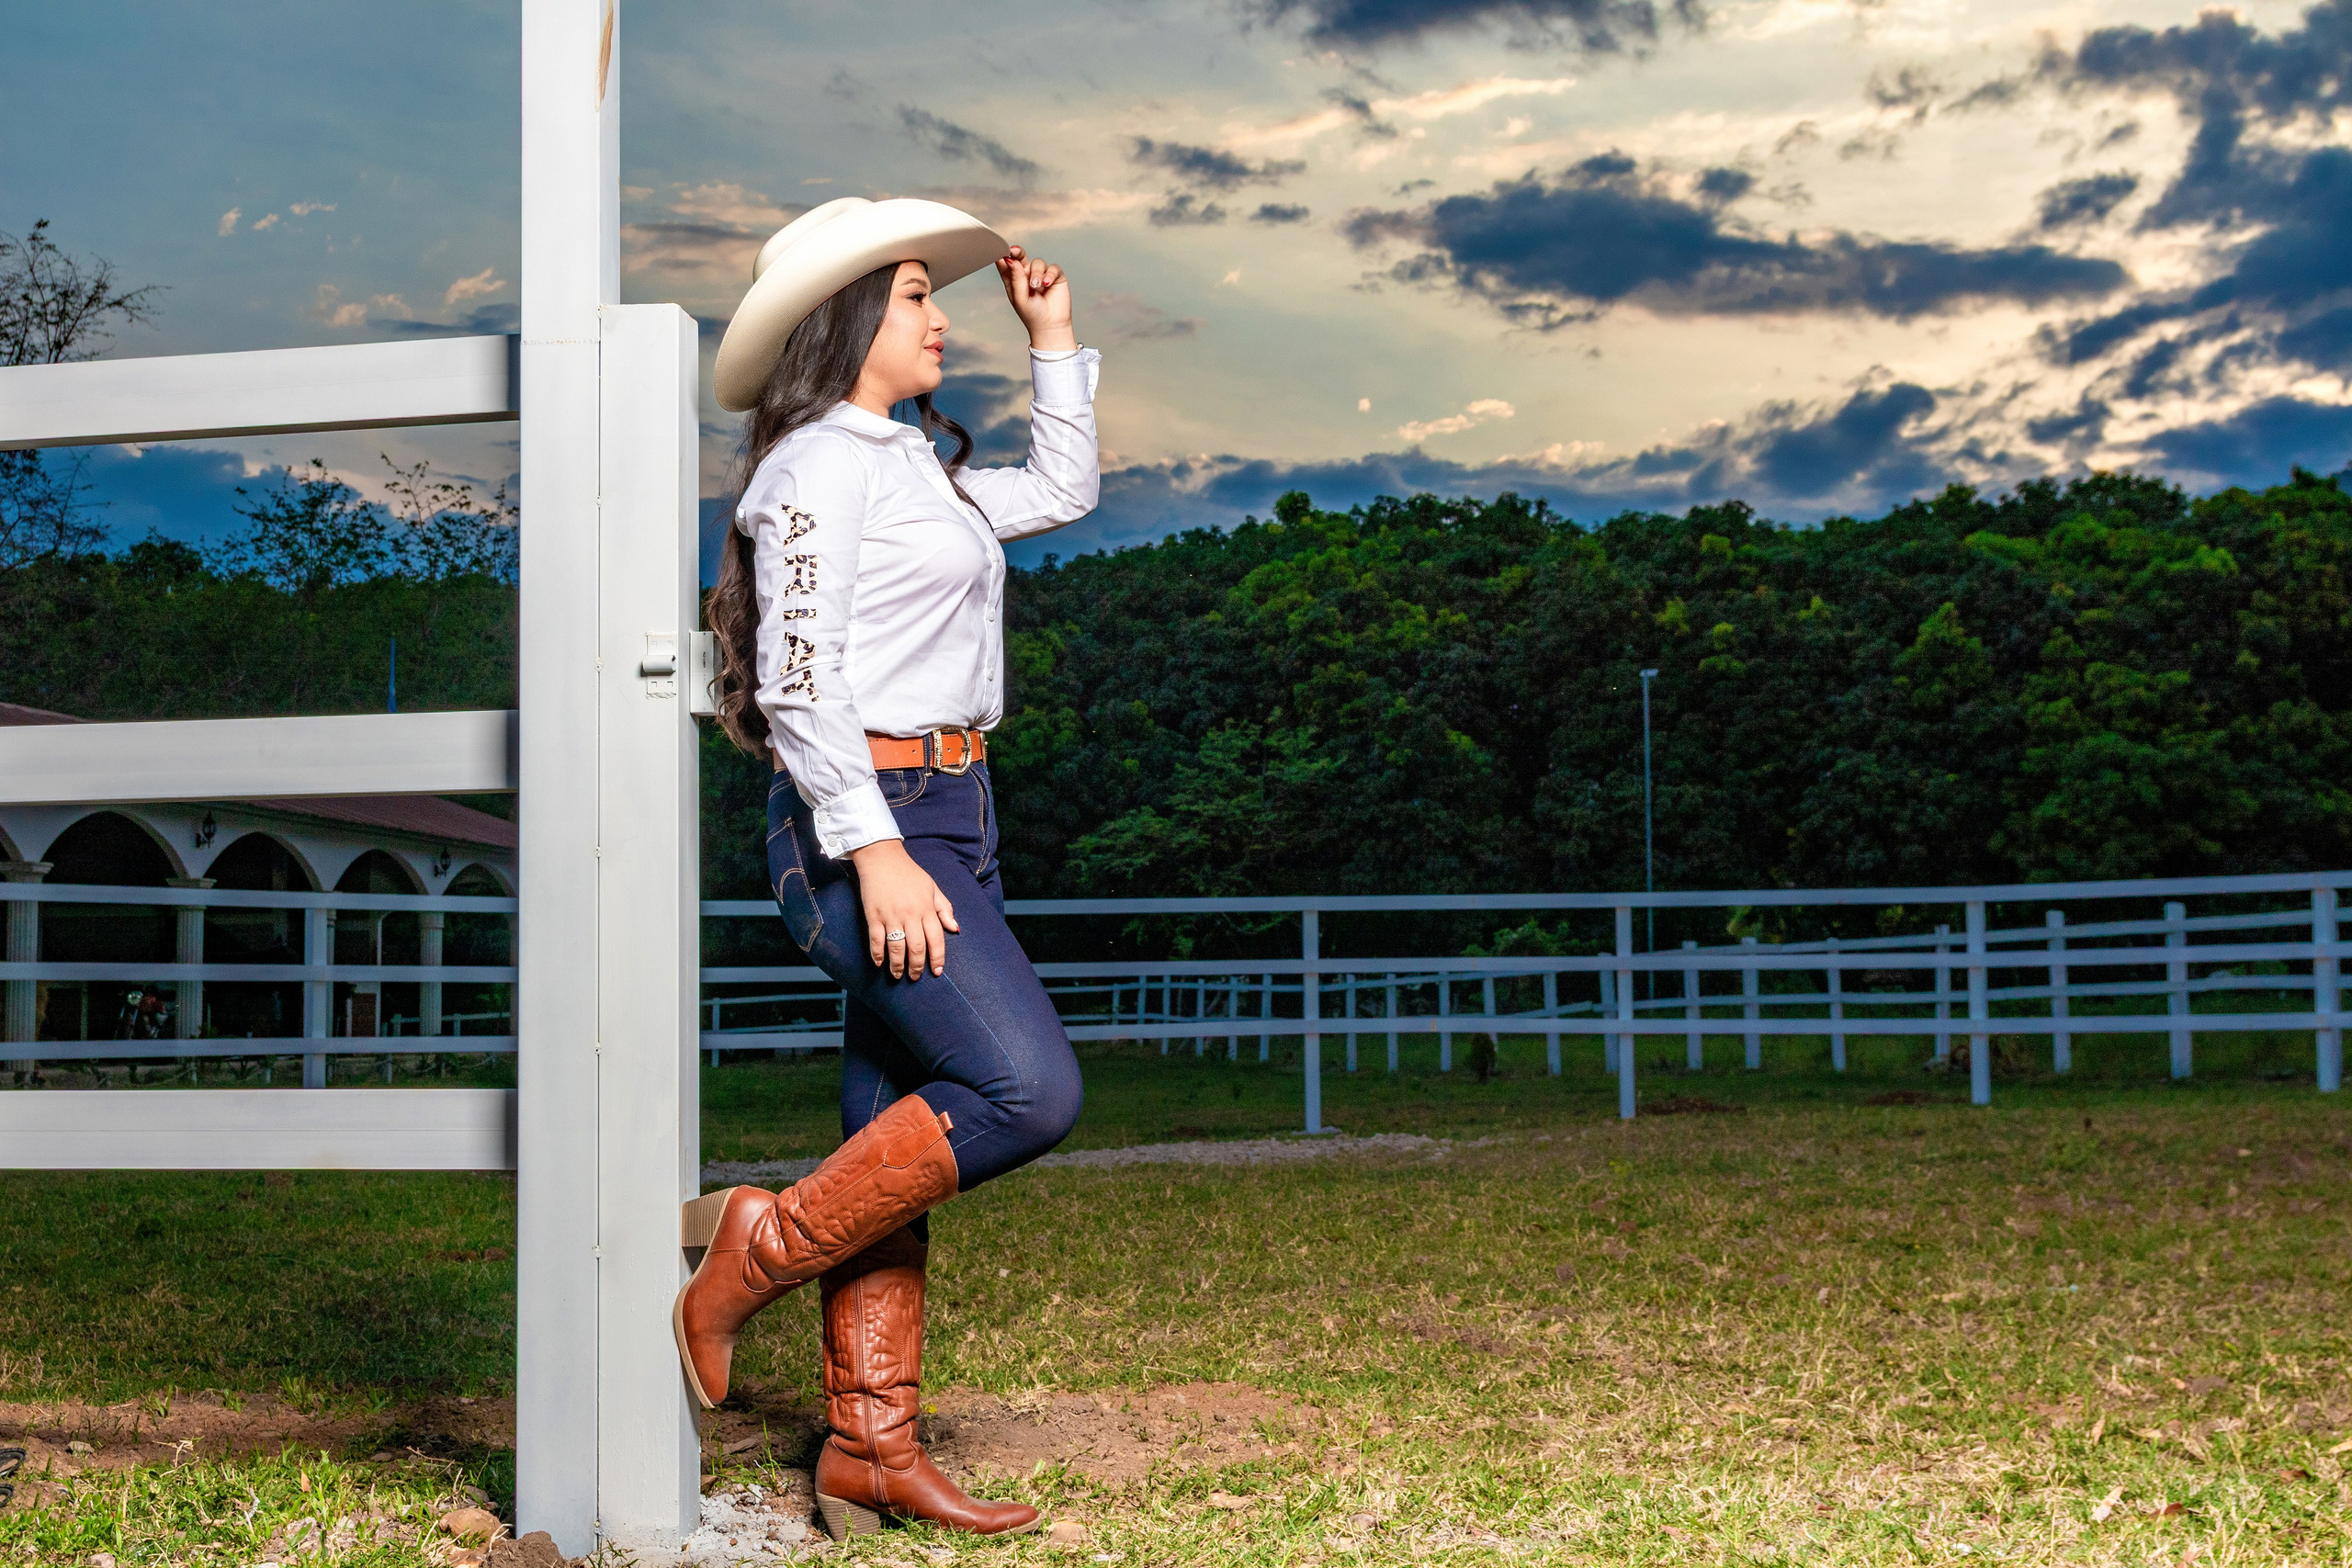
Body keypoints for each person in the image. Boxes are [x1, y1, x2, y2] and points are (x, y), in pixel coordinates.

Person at [673, 197, 1098, 1541]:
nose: (941, 315)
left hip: (953, 803)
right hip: (865, 813)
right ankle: (757, 1248)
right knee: (1024, 1089)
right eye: (919, 295)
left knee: (891, 1130)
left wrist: (1057, 342)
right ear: (850, 320)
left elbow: (1065, 490)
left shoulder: (911, 462)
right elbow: (798, 687)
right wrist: (876, 850)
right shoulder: (809, 471)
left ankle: (867, 1444)